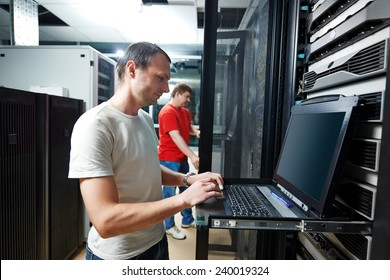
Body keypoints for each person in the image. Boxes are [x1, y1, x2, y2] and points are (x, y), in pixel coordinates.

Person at [68, 41, 223, 260]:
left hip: (157, 242)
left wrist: (189, 179)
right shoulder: (95, 125)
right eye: (161, 78)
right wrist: (183, 200)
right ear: (132, 70)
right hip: (120, 255)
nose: (167, 89)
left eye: (168, 80)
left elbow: (148, 169)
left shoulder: (145, 119)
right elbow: (105, 221)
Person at [158, 83, 201, 240]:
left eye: (189, 97)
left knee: (185, 190)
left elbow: (187, 128)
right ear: (176, 94)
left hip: (180, 157)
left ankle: (187, 220)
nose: (188, 100)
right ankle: (168, 226)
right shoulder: (167, 112)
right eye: (186, 96)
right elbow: (176, 136)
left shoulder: (184, 112)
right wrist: (193, 156)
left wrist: (196, 132)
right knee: (169, 194)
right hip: (169, 158)